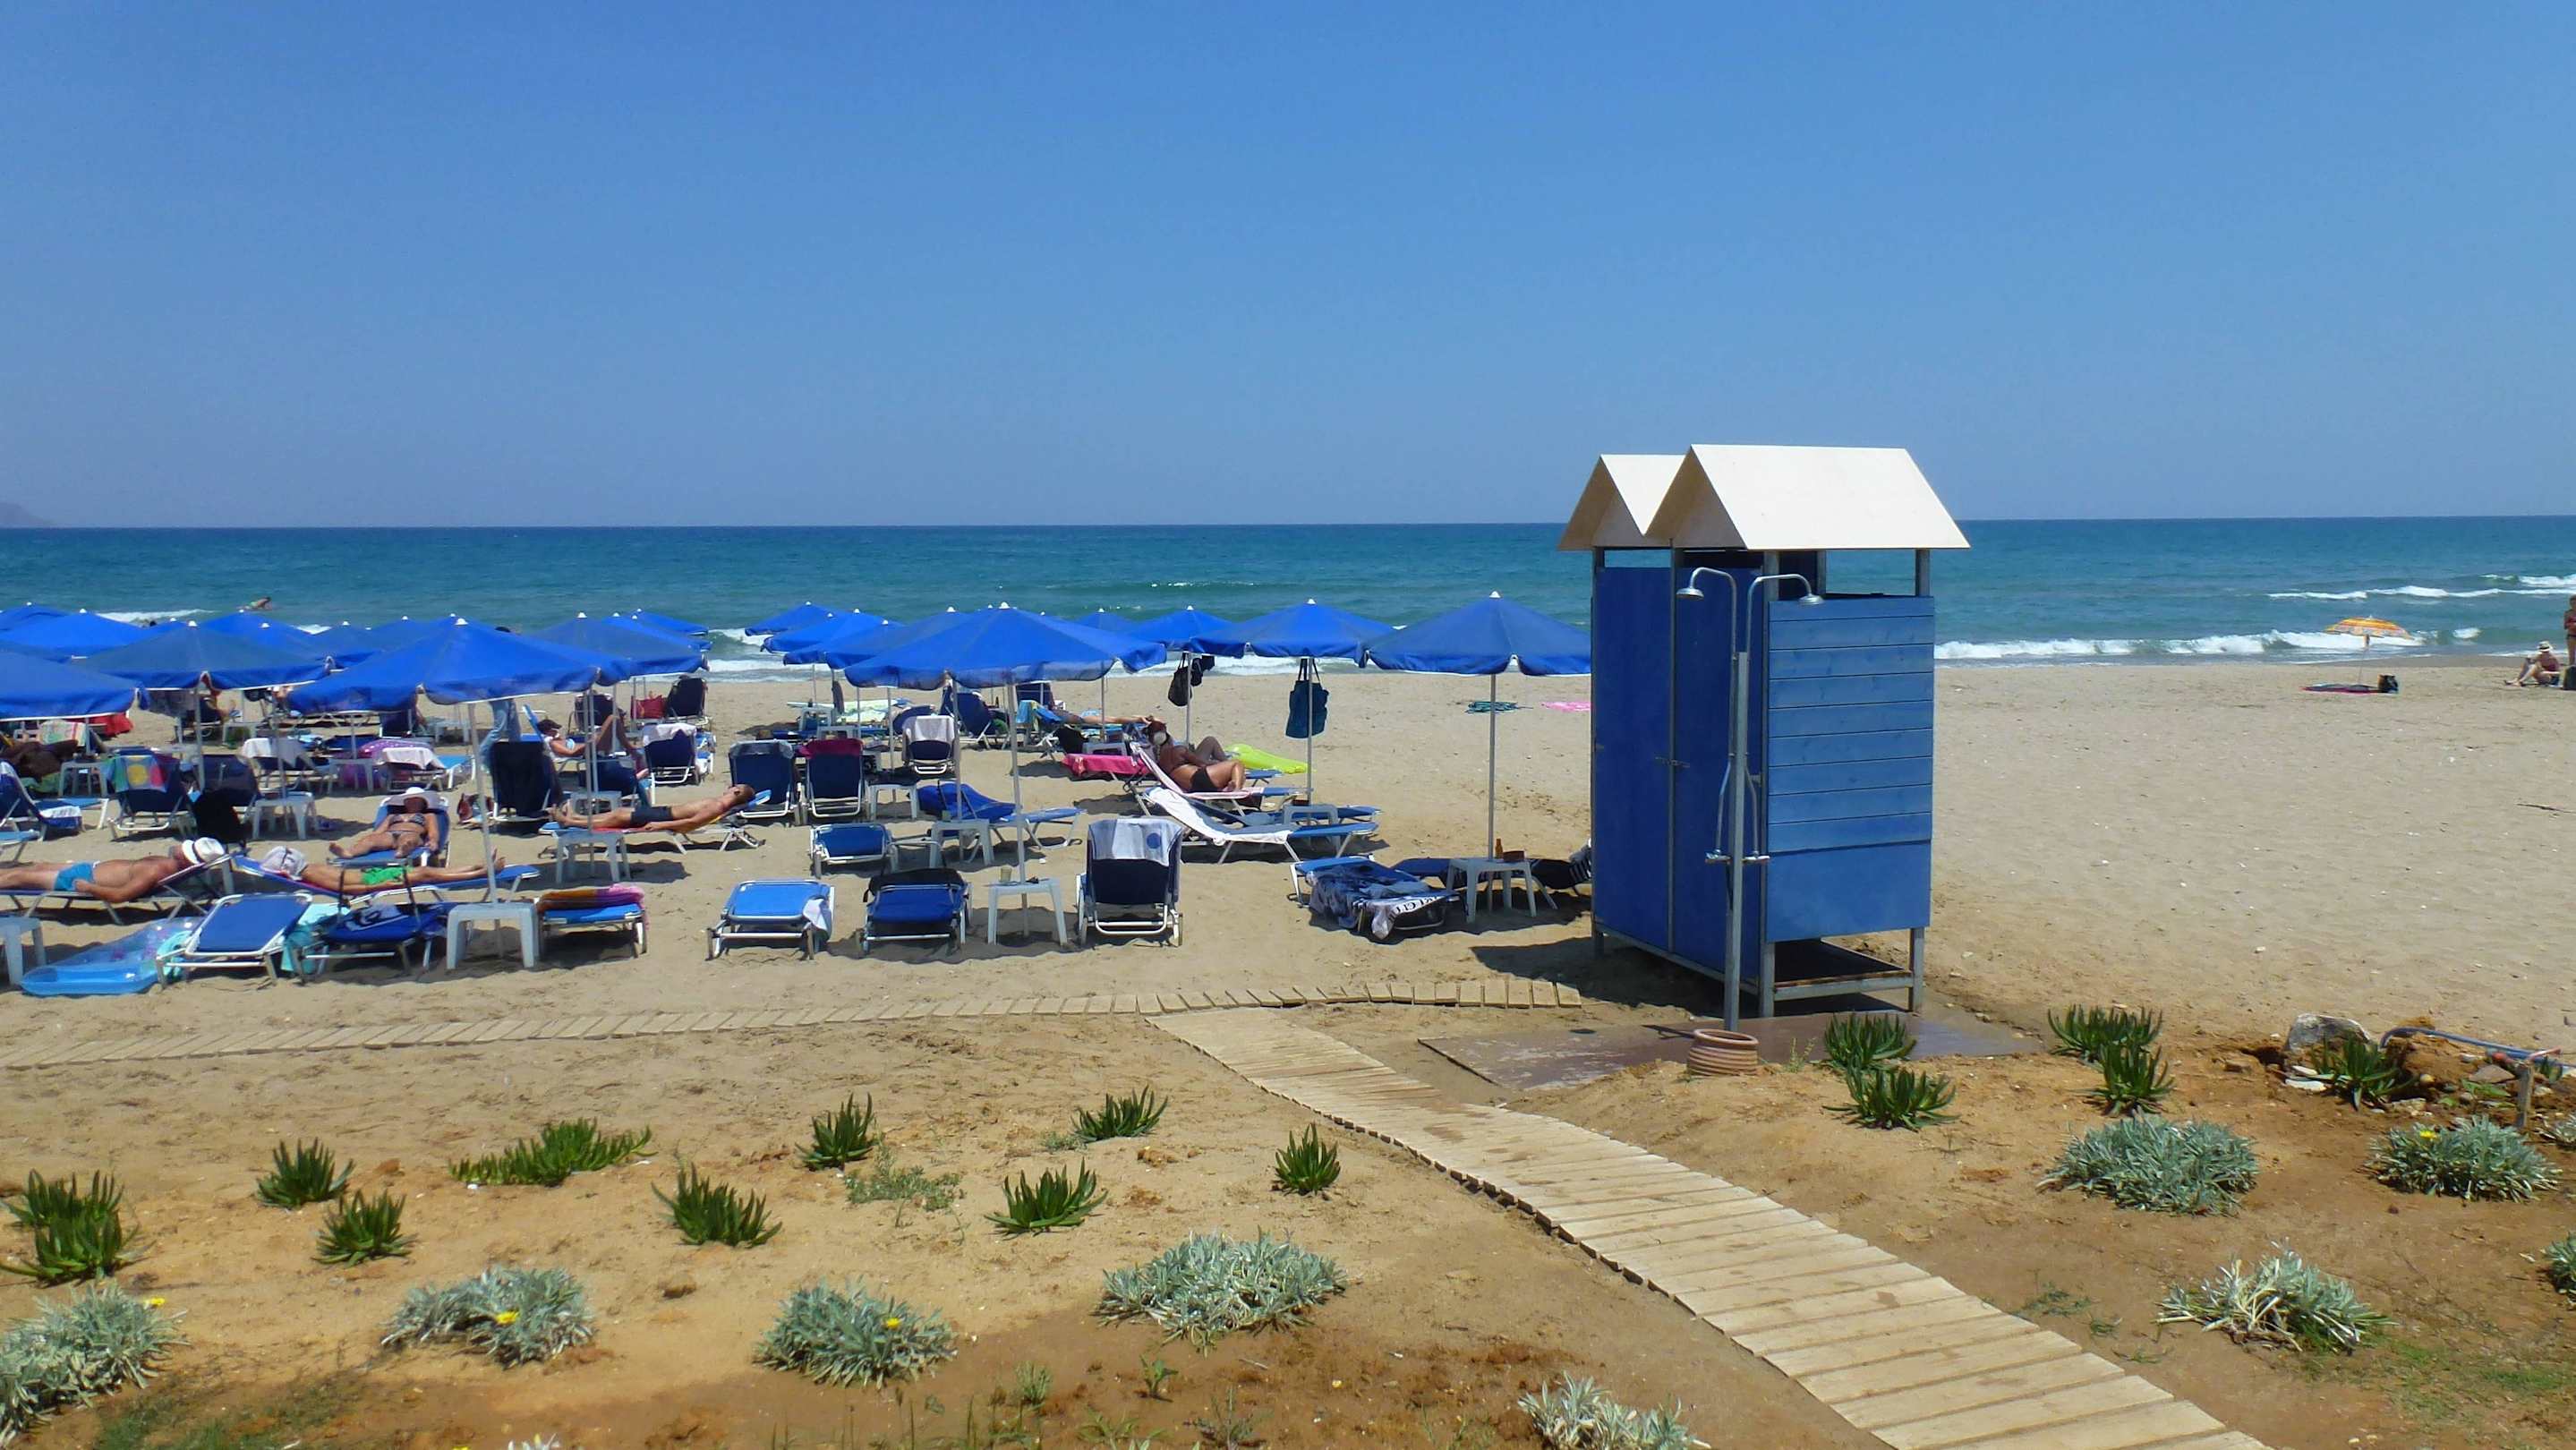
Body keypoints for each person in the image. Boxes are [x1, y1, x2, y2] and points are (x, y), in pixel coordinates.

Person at [0, 838, 227, 905]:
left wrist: (88, 888)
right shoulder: (167, 864)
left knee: (17, 878)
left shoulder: (154, 872)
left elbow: (120, 896)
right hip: (89, 867)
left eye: (184, 847)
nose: (179, 845)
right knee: (36, 866)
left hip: (82, 878)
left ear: (184, 858)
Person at [254, 845, 507, 894]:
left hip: (373, 875)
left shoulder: (311, 868)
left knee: (426, 871)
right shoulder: (311, 873)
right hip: (374, 881)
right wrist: (383, 885)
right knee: (425, 874)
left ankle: (478, 867)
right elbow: (346, 889)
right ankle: (480, 873)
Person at [549, 783, 752, 832]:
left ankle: (569, 821)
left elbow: (693, 822)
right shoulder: (718, 803)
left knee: (616, 820)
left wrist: (660, 825)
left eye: (735, 786)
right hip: (665, 812)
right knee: (619, 813)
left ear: (736, 792)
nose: (730, 786)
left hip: (665, 817)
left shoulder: (718, 805)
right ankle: (576, 817)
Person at [328, 787, 447, 860]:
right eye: (409, 800)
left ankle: (404, 850)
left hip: (413, 834)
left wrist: (433, 841)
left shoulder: (428, 815)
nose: (412, 803)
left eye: (416, 800)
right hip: (389, 835)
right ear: (405, 803)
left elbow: (433, 832)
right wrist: (368, 839)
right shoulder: (392, 815)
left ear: (423, 803)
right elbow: (379, 831)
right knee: (370, 841)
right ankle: (348, 853)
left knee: (409, 839)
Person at [1142, 718, 1246, 793]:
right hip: (1199, 777)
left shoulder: (1159, 760)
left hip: (1191, 787)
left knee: (1210, 741)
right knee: (1237, 764)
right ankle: (1236, 789)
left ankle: (1229, 784)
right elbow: (1202, 765)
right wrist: (1215, 763)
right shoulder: (1179, 750)